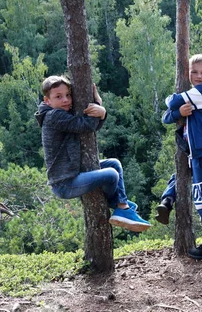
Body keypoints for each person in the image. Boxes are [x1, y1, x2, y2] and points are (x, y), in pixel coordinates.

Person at [35, 75, 150, 232]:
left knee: (114, 164)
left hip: (74, 172)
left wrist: (101, 113)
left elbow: (89, 128)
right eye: (58, 97)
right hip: (64, 183)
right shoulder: (54, 116)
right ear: (47, 100)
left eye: (68, 95)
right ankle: (122, 207)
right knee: (111, 174)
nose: (66, 100)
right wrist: (98, 106)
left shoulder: (58, 114)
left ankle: (121, 205)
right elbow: (85, 125)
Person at [158, 54, 202, 259]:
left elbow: (172, 102)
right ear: (187, 74)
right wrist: (179, 112)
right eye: (194, 72)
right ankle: (168, 200)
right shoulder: (194, 95)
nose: (198, 76)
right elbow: (167, 117)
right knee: (182, 178)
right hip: (199, 152)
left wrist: (175, 104)